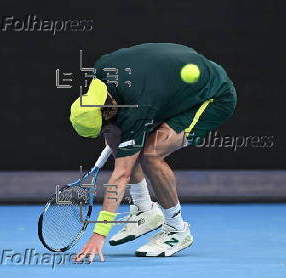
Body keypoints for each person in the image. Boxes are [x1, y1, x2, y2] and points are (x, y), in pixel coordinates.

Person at [70, 43, 237, 262]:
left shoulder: (137, 110)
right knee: (121, 138)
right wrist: (115, 136)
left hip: (213, 96)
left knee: (151, 155)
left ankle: (177, 230)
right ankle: (145, 210)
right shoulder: (102, 73)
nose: (105, 133)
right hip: (181, 72)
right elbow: (116, 132)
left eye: (103, 129)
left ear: (106, 110)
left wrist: (98, 234)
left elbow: (121, 175)